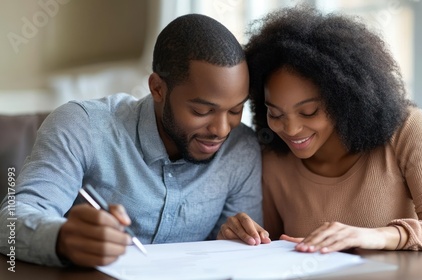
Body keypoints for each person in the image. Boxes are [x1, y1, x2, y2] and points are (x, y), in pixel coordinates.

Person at [0, 14, 263, 267]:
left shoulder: (241, 149)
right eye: (202, 111)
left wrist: (235, 240)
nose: (221, 129)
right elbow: (10, 224)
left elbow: (231, 257)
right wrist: (61, 239)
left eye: (235, 111)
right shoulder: (82, 126)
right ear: (157, 88)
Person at [218, 7, 422, 252]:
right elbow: (268, 245)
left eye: (309, 112)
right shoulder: (273, 154)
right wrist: (241, 236)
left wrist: (374, 236)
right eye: (276, 113)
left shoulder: (407, 128)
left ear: (344, 99)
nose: (291, 129)